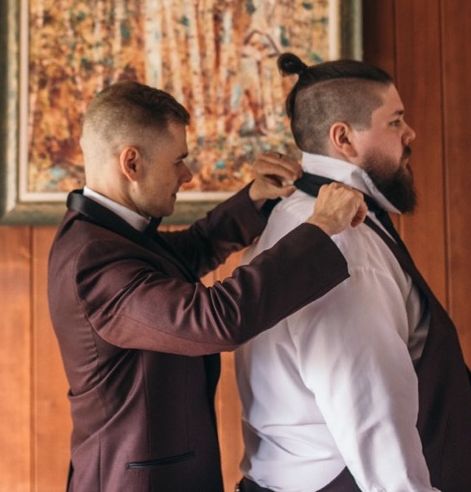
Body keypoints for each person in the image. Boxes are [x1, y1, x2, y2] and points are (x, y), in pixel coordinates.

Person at [48, 80, 368, 492]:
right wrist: (320, 227)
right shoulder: (93, 260)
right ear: (132, 163)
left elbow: (189, 251)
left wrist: (254, 198)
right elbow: (217, 319)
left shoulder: (109, 234)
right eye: (179, 160)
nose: (187, 174)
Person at [234, 54, 471, 492]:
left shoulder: (302, 214)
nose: (410, 134)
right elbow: (369, 406)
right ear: (343, 138)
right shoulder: (338, 242)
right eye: (395, 121)